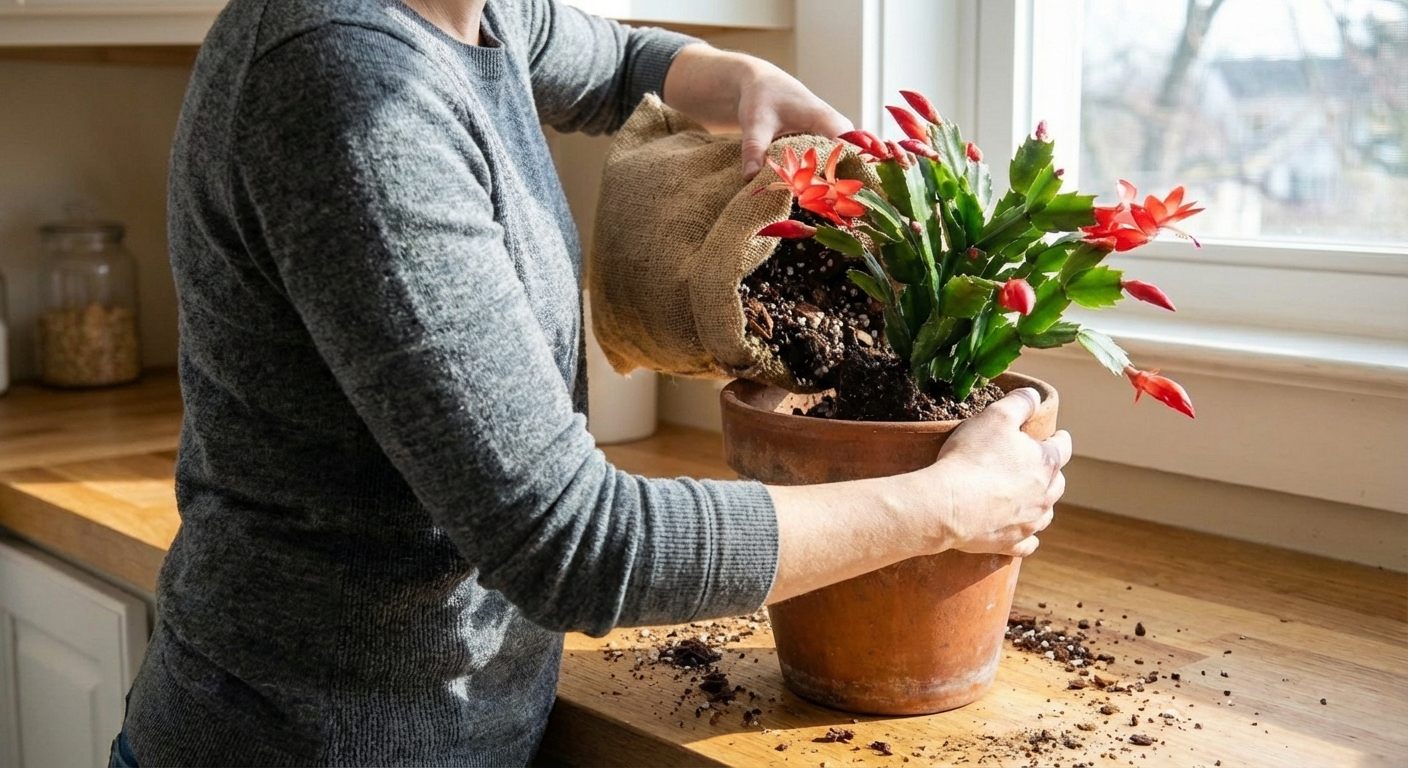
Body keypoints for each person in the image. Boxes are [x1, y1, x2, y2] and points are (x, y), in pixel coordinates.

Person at [112, 0, 1072, 764]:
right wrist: (951, 502)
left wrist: (737, 78)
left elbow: (612, 63)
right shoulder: (352, 84)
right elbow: (574, 544)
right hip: (310, 739)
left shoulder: (466, 14)